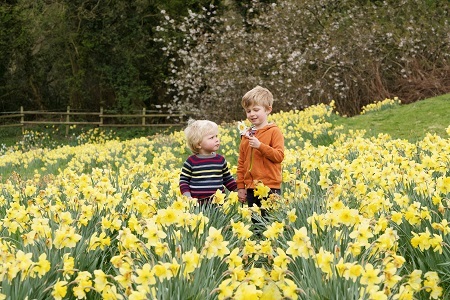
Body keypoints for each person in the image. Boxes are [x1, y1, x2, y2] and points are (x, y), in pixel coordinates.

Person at [237, 86, 285, 220]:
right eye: (248, 111)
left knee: (271, 222)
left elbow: (279, 156)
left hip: (270, 187)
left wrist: (260, 146)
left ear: (268, 109)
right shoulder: (246, 134)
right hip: (252, 187)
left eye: (256, 110)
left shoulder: (274, 132)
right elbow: (241, 162)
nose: (252, 114)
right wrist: (241, 186)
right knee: (256, 225)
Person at [179, 119, 238, 205]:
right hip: (197, 204)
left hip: (218, 204)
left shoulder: (220, 160)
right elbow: (184, 181)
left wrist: (238, 191)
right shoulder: (191, 161)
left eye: (216, 136)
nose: (217, 140)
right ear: (198, 144)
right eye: (211, 138)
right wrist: (187, 196)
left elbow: (227, 179)